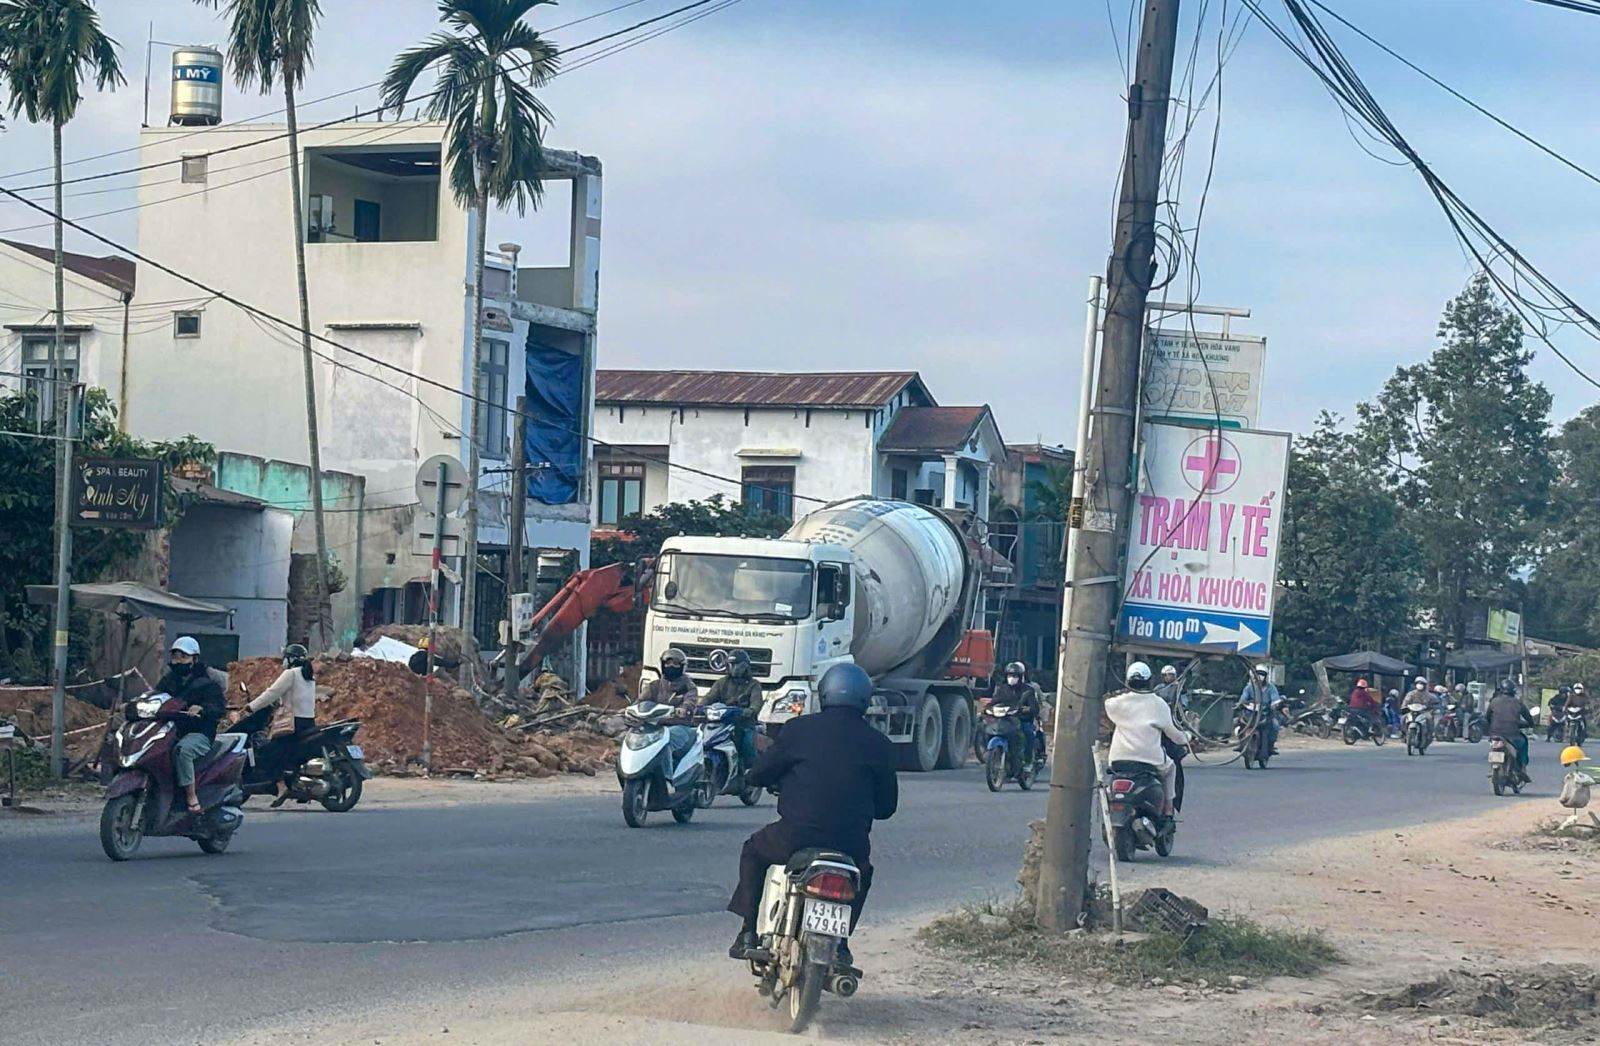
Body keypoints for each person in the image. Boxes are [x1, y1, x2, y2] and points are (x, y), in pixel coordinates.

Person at [727, 663, 897, 967]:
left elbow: (761, 773)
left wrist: (755, 777)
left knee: (753, 851)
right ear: (864, 699)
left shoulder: (798, 729)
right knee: (862, 875)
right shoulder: (879, 743)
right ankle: (841, 945)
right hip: (850, 846)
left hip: (796, 837)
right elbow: (887, 808)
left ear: (825, 694)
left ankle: (748, 932)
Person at [1105, 661, 1191, 818]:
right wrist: (1187, 737)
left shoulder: (1117, 703)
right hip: (1149, 760)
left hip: (1118, 760)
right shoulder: (1158, 704)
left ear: (1128, 681)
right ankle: (1168, 808)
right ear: (1150, 681)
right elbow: (1175, 735)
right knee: (1171, 768)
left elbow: (1107, 703)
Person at [237, 644, 318, 808]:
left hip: (292, 724)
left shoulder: (290, 673)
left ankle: (281, 787)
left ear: (290, 659)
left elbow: (272, 692)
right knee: (289, 755)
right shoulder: (309, 675)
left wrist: (251, 707)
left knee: (269, 753)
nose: (283, 662)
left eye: (285, 658)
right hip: (307, 722)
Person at [157, 637, 226, 815]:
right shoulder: (168, 681)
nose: (178, 661)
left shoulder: (207, 682)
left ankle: (191, 797)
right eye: (175, 657)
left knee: (183, 751)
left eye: (184, 657)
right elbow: (156, 697)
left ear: (194, 659)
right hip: (170, 730)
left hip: (199, 732)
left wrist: (202, 708)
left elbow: (218, 708)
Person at [701, 649, 763, 775]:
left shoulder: (754, 685)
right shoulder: (721, 682)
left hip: (744, 724)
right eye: (732, 665)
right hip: (722, 723)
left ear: (746, 667)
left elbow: (756, 702)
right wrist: (699, 706)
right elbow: (710, 697)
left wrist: (751, 710)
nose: (735, 668)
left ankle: (750, 772)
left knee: (748, 742)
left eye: (739, 665)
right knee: (702, 737)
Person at [991, 661, 1044, 765]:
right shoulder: (1003, 689)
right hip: (1006, 721)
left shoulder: (1028, 690)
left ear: (1020, 677)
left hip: (1023, 720)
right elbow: (994, 702)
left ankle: (1028, 761)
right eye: (1009, 675)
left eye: (1014, 676)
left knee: (1028, 734)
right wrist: (988, 708)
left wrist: (1026, 710)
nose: (1011, 678)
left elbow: (1034, 708)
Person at [1485, 680, 1533, 783]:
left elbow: (1487, 716)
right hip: (1512, 735)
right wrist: (1531, 724)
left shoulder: (1494, 702)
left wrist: (1491, 727)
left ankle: (1492, 768)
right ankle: (1523, 768)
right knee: (1524, 743)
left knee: (1493, 747)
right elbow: (1528, 717)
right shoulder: (1517, 703)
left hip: (1495, 734)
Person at [1238, 664, 1283, 755]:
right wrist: (1241, 703)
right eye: (1258, 674)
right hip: (1251, 714)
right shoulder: (1249, 687)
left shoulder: (1271, 687)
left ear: (1266, 676)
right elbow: (1243, 698)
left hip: (1266, 713)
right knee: (1237, 722)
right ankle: (1241, 743)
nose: (1260, 676)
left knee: (1275, 725)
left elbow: (1275, 699)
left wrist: (1274, 704)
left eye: (1262, 674)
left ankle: (1270, 746)